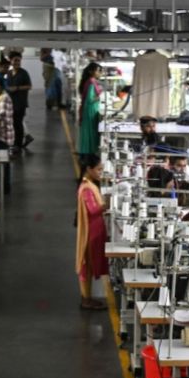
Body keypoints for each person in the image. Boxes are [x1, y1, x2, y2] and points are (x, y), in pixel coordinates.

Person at [75, 154, 109, 312]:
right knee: (86, 264)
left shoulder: (89, 184)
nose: (100, 172)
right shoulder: (87, 188)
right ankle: (86, 299)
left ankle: (87, 297)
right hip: (91, 230)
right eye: (98, 169)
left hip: (94, 228)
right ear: (89, 169)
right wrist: (107, 204)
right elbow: (93, 210)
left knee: (88, 265)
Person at [4, 52, 33, 151]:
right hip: (10, 103)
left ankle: (18, 144)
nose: (17, 62)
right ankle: (14, 143)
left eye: (19, 60)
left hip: (20, 103)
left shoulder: (23, 73)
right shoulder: (9, 73)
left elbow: (29, 86)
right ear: (11, 61)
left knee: (18, 123)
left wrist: (17, 88)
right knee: (12, 123)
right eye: (15, 60)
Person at [78, 62, 103, 158]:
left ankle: (88, 153)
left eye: (100, 71)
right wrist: (99, 97)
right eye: (98, 71)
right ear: (91, 71)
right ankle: (89, 154)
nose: (99, 73)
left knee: (89, 131)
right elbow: (90, 99)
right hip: (90, 110)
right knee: (90, 131)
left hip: (90, 109)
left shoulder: (90, 81)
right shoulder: (91, 82)